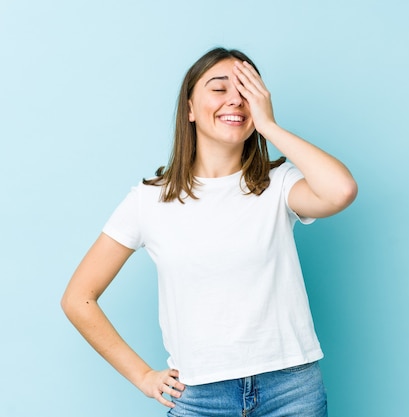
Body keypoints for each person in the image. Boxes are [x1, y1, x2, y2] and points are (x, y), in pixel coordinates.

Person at [60, 47, 357, 416]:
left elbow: (341, 190)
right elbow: (78, 298)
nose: (235, 99)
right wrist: (142, 376)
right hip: (200, 398)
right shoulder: (148, 200)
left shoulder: (279, 184)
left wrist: (270, 126)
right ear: (189, 108)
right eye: (219, 88)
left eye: (247, 90)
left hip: (291, 391)